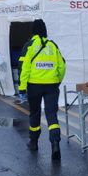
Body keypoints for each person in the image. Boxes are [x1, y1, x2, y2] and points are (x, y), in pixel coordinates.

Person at [19, 19, 66, 161]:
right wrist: (57, 81)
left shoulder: (29, 45)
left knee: (35, 113)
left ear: (33, 30)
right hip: (51, 85)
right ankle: (55, 143)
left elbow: (24, 69)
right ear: (45, 30)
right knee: (51, 114)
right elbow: (62, 66)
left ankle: (33, 143)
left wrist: (22, 87)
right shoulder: (53, 45)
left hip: (34, 85)